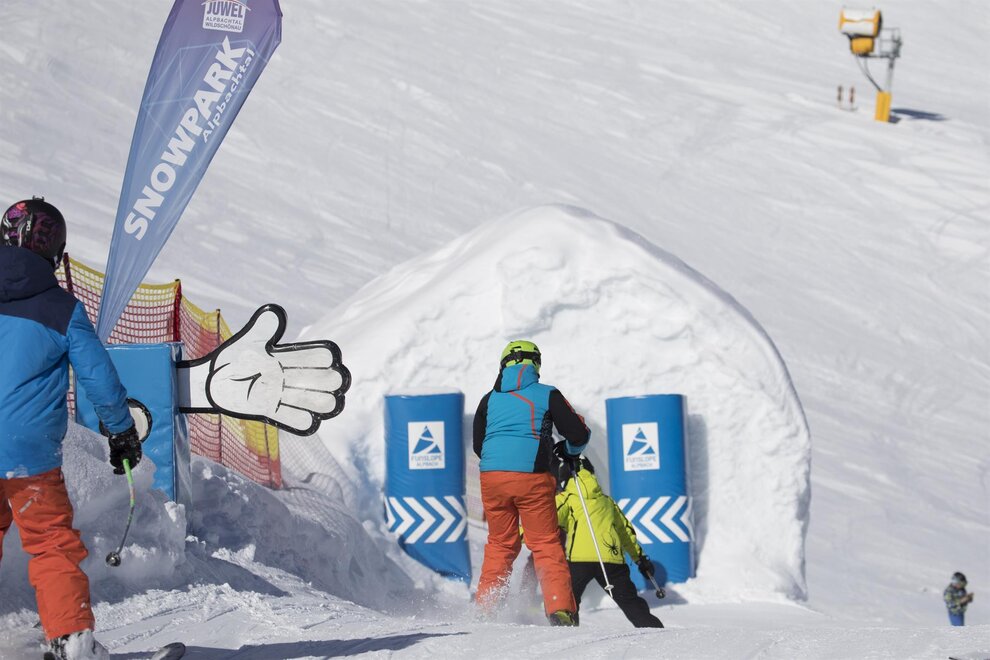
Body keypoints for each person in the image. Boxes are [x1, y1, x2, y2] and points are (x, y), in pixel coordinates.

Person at [0, 198, 145, 660]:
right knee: (50, 545)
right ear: (56, 252)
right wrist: (121, 432)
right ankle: (71, 640)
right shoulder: (61, 309)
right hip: (28, 456)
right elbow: (98, 378)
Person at [473, 340, 590, 626]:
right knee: (545, 543)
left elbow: (479, 444)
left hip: (492, 477)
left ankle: (486, 608)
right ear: (536, 364)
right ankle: (560, 609)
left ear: (504, 365)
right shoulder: (547, 394)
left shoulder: (488, 399)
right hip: (532, 478)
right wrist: (567, 451)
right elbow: (578, 434)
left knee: (500, 544)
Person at [556, 457, 663, 628]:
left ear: (564, 480)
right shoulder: (607, 502)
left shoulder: (566, 499)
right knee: (630, 601)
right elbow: (625, 532)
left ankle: (566, 630)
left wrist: (521, 534)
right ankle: (653, 630)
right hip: (611, 560)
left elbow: (545, 519)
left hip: (579, 560)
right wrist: (640, 559)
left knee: (568, 599)